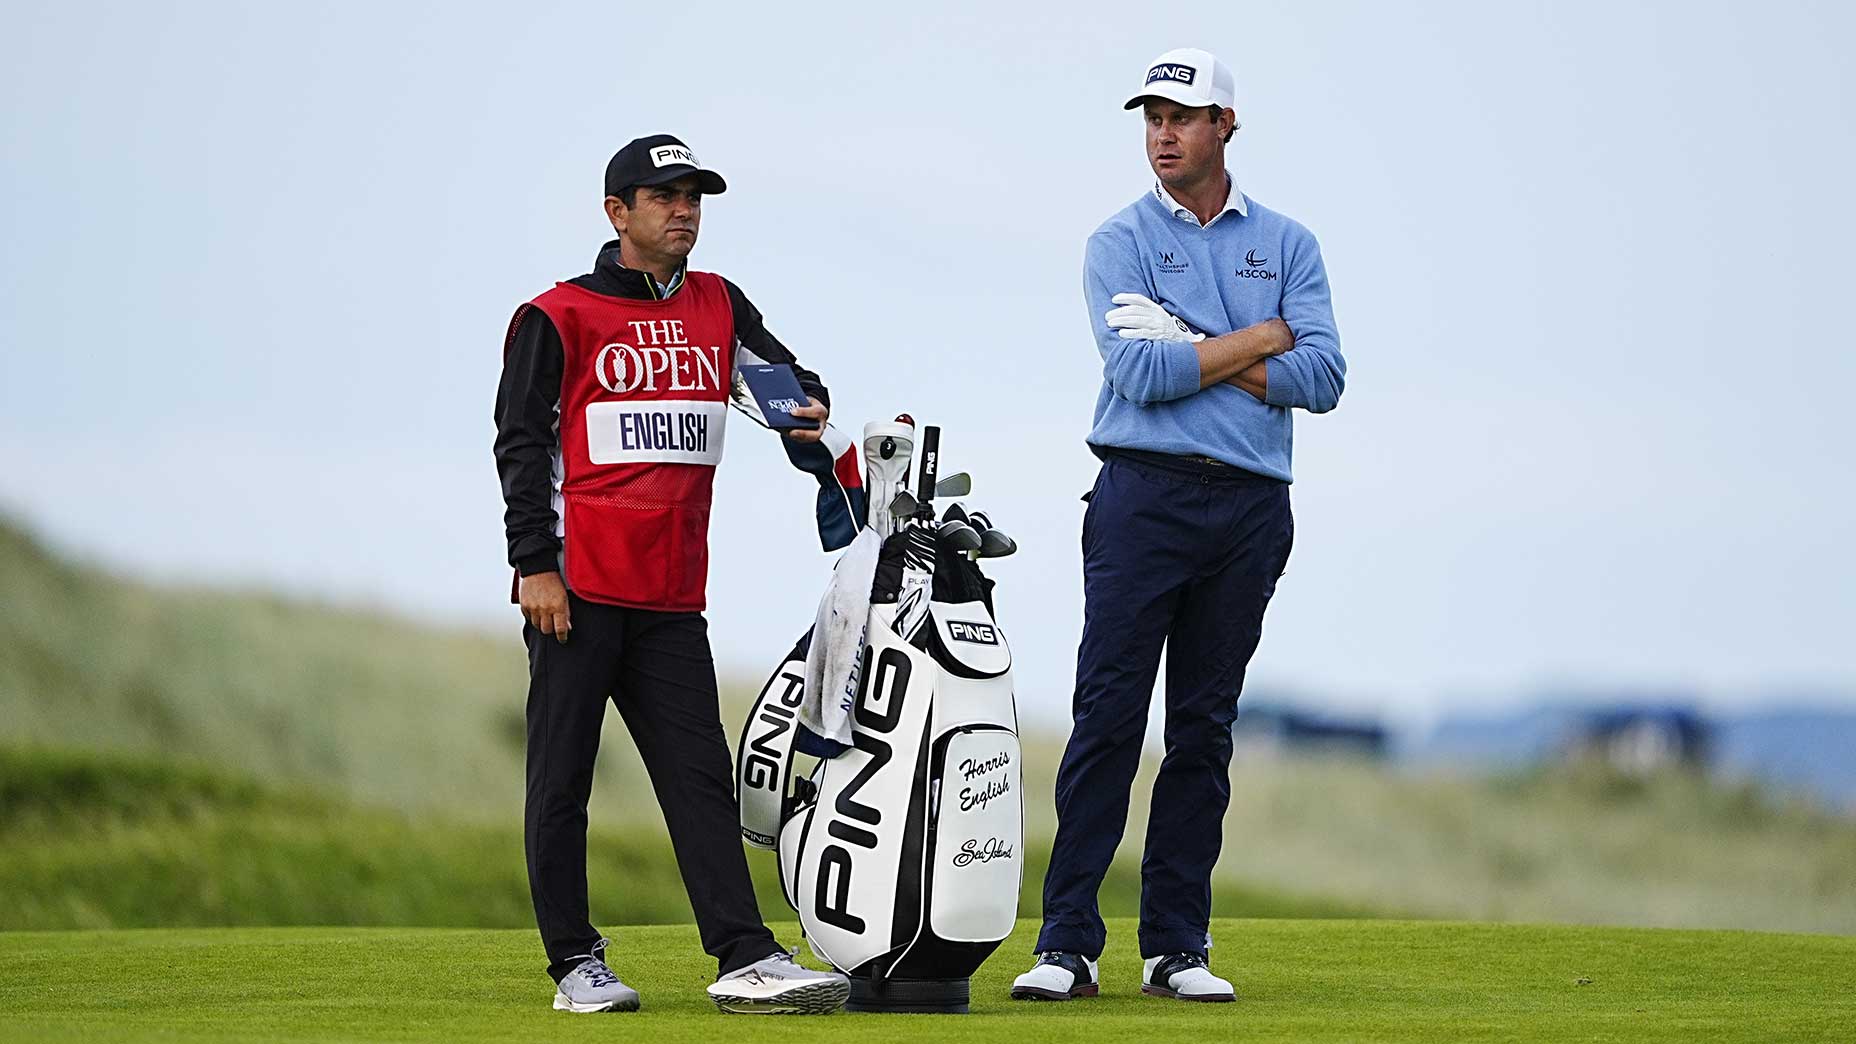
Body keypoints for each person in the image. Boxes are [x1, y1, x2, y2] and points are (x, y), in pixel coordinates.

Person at [1012, 48, 1346, 1004]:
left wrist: (1193, 341)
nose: (1163, 133)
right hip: (1142, 496)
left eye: (1183, 117)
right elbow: (1143, 377)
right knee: (1108, 719)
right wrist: (1261, 338)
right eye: (1152, 116)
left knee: (1202, 728)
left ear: (1225, 128)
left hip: (1248, 506)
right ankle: (1068, 942)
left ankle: (1176, 947)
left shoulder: (1288, 244)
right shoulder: (1116, 240)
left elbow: (1323, 378)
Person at [493, 134, 850, 1015]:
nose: (683, 210)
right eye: (663, 197)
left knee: (699, 779)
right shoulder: (557, 314)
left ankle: (744, 955)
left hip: (671, 597)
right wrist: (535, 565)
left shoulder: (719, 305)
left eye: (694, 197)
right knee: (562, 782)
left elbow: (784, 381)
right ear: (618, 214)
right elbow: (522, 444)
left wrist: (809, 415)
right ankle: (576, 965)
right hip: (575, 592)